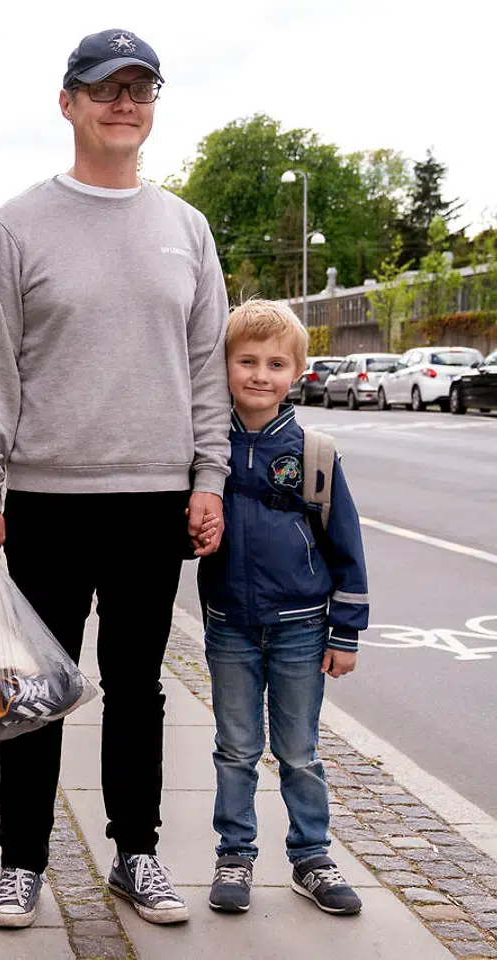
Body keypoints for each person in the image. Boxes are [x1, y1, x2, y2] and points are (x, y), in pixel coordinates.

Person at [0, 28, 230, 929]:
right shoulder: (14, 228)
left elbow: (204, 368)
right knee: (30, 689)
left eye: (141, 88)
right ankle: (19, 863)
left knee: (140, 687)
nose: (125, 102)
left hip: (153, 495)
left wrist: (209, 476)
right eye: (106, 87)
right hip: (45, 500)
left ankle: (137, 853)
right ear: (68, 101)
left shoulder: (185, 229)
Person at [199, 300, 369, 917]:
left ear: (296, 371)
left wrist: (345, 632)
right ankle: (235, 854)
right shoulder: (206, 451)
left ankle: (312, 857)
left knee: (299, 750)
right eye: (246, 361)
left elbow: (346, 548)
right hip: (230, 627)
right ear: (223, 367)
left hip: (301, 627)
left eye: (275, 363)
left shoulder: (313, 452)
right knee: (236, 748)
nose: (259, 375)